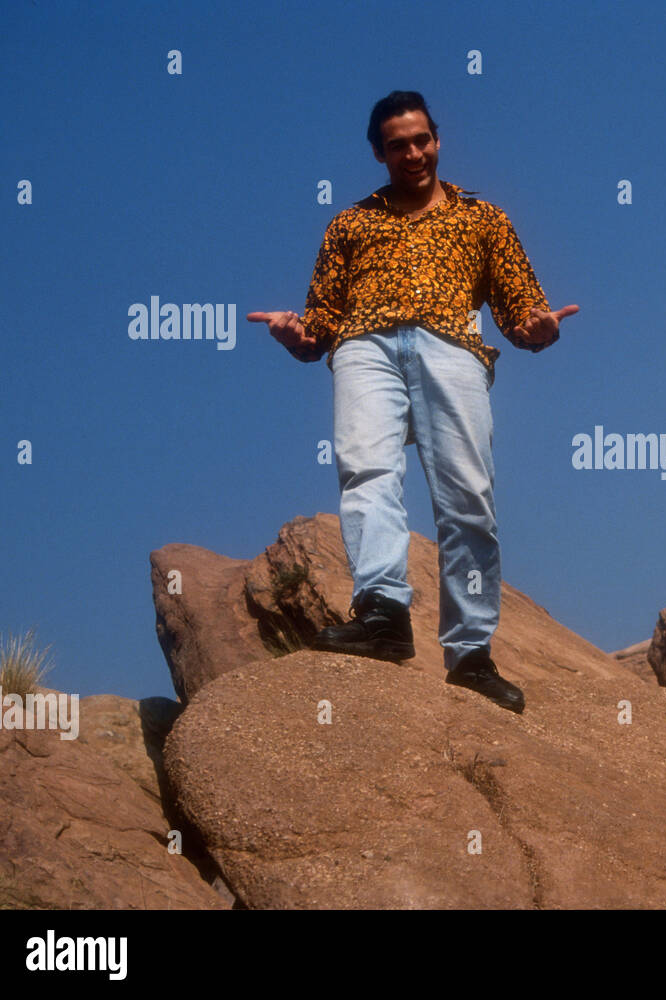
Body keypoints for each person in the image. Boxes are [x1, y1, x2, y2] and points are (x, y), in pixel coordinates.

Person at [248, 90, 578, 714]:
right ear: (378, 152)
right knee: (367, 469)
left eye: (421, 139)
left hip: (452, 348)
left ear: (437, 140)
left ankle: (471, 655)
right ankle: (383, 615)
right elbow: (319, 327)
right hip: (364, 347)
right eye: (397, 144)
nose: (413, 153)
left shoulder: (483, 218)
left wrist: (539, 330)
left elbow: (520, 311)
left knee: (468, 500)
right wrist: (297, 335)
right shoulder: (350, 224)